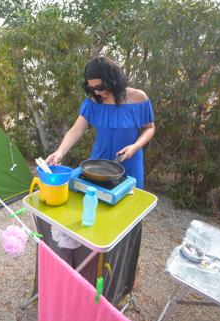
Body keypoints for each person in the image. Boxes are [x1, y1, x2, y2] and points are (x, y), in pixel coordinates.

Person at [45, 56, 155, 292]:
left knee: (127, 226)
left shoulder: (138, 98)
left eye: (101, 87)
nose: (97, 92)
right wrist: (60, 152)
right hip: (96, 169)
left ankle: (127, 274)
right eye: (91, 87)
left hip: (130, 169)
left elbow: (149, 128)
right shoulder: (93, 102)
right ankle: (95, 273)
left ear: (114, 79)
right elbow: (77, 129)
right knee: (97, 224)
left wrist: (136, 146)